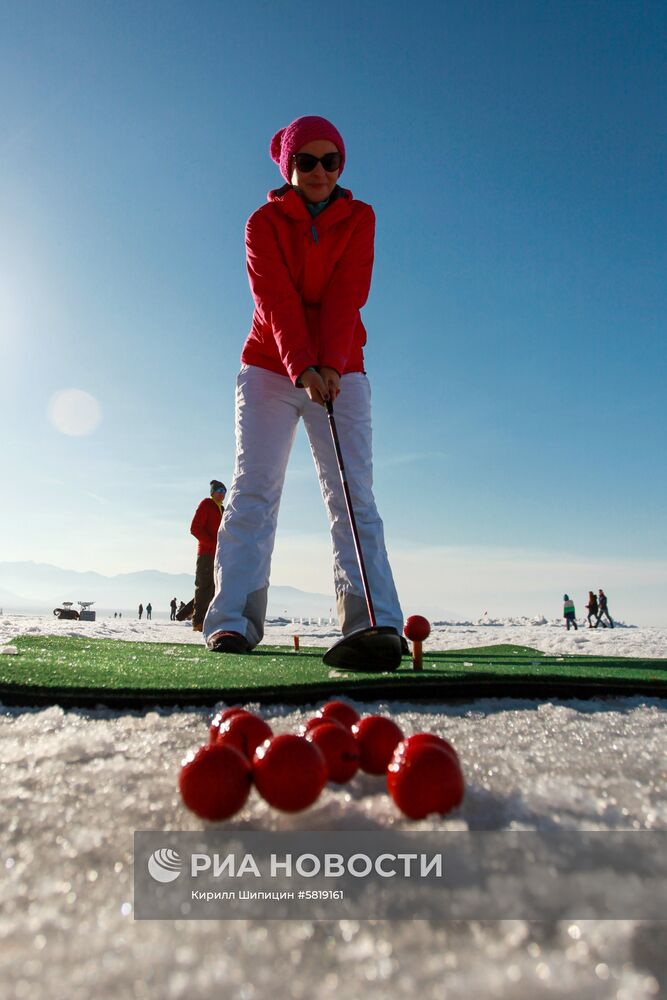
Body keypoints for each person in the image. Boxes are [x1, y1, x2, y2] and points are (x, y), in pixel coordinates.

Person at [203, 115, 403, 659]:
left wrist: (332, 364)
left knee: (352, 492)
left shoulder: (360, 218)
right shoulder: (262, 223)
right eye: (306, 161)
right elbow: (275, 300)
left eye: (330, 161)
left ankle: (374, 621)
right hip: (271, 366)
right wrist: (301, 366)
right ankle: (232, 622)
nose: (319, 171)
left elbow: (347, 293)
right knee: (254, 491)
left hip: (343, 369)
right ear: (288, 165)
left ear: (342, 165)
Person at [188, 480, 227, 632]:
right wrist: (211, 544)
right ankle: (198, 622)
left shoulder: (222, 509)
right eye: (219, 490)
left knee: (214, 588)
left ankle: (208, 621)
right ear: (212, 492)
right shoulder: (206, 504)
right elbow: (195, 528)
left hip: (219, 555)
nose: (222, 493)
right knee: (203, 586)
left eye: (224, 490)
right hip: (206, 553)